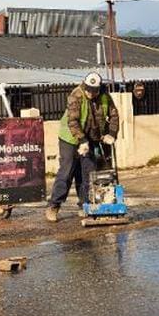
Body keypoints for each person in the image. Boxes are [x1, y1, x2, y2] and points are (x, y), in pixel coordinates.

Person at [46, 71, 119, 222]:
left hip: (92, 137)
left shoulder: (105, 97)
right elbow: (72, 121)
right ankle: (54, 206)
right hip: (70, 138)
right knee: (67, 171)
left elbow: (114, 115)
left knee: (88, 172)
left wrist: (111, 133)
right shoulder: (76, 95)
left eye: (94, 91)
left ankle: (84, 205)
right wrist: (82, 141)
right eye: (88, 89)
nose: (90, 93)